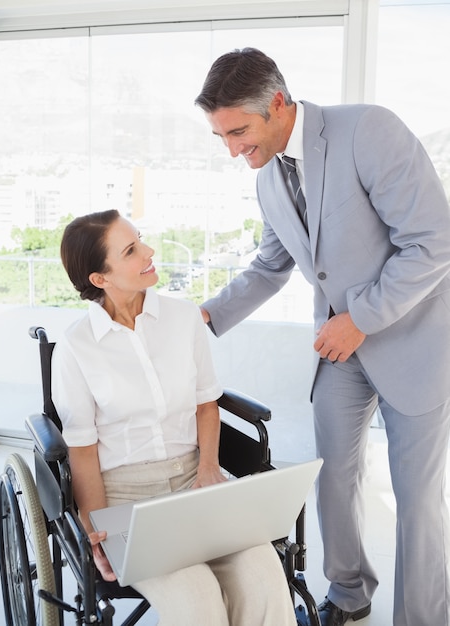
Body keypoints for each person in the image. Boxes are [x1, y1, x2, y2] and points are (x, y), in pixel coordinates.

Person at [194, 47, 450, 626]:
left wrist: (360, 318)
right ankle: (348, 593)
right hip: (340, 352)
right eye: (222, 137)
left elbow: (433, 239)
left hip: (412, 341)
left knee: (417, 500)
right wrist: (202, 318)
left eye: (239, 131)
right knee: (332, 476)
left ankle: (422, 617)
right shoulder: (269, 180)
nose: (234, 150)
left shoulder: (368, 130)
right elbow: (269, 267)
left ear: (278, 103)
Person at [51, 209, 297, 626]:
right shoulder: (76, 348)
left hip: (193, 482)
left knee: (264, 575)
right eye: (131, 250)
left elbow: (206, 405)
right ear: (100, 279)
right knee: (198, 600)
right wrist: (96, 531)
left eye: (141, 239)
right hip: (127, 500)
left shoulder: (184, 319)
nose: (149, 252)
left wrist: (208, 470)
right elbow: (83, 449)